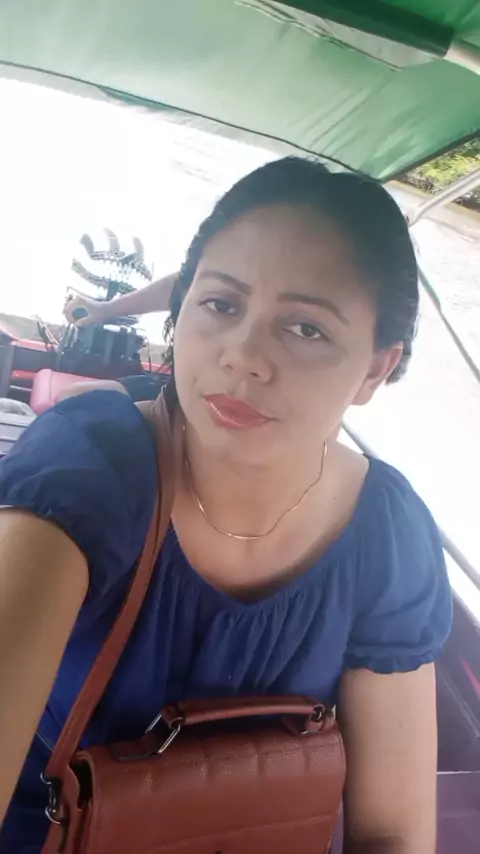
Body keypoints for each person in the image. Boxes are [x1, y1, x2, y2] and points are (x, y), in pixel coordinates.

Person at [0, 157, 452, 854]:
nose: (243, 356)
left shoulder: (388, 538)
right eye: (221, 304)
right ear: (182, 307)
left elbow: (392, 833)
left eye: (306, 329)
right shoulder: (87, 471)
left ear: (374, 369)